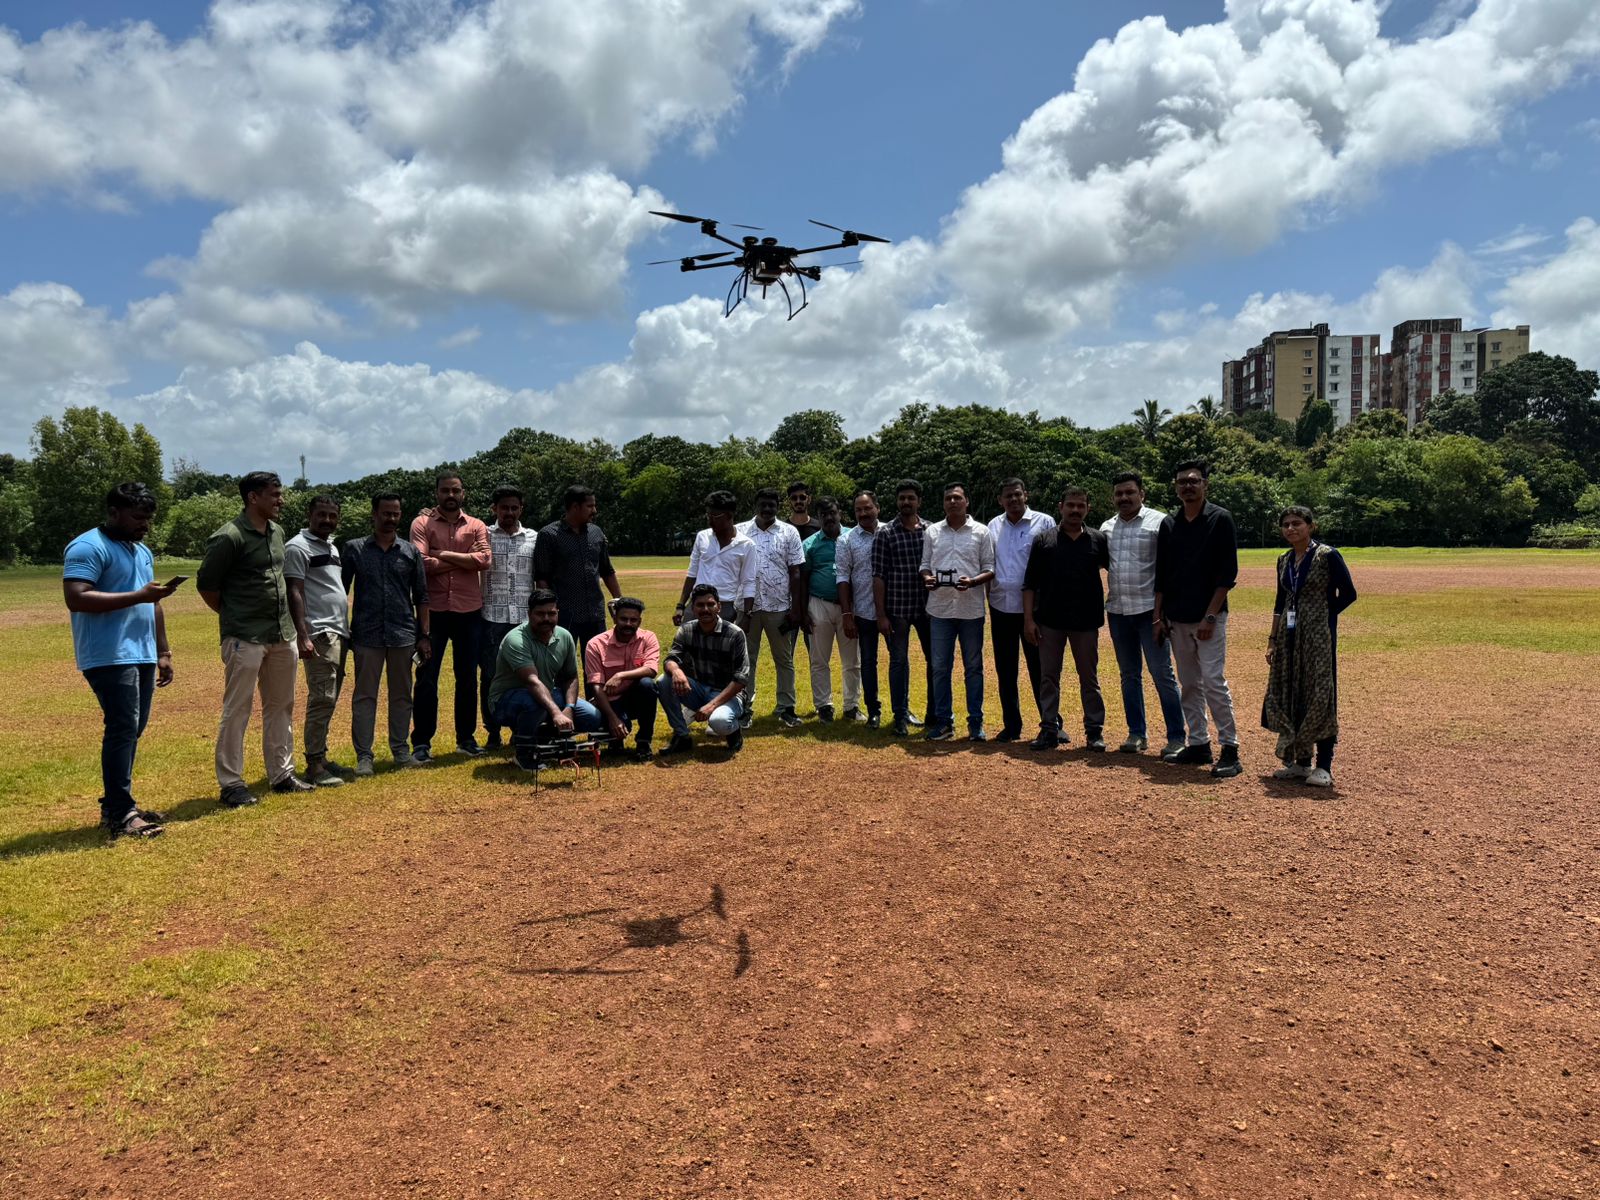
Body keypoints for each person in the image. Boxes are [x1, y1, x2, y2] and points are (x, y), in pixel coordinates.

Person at [62, 482, 179, 839]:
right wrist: (138, 596)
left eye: (148, 518)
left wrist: (162, 651)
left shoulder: (140, 550)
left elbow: (152, 602)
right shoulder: (87, 546)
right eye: (137, 517)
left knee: (132, 729)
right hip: (109, 654)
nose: (145, 525)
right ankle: (119, 813)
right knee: (122, 728)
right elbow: (76, 598)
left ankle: (118, 804)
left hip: (141, 652)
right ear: (113, 512)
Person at [197, 470, 310, 807]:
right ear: (253, 497)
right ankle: (231, 784)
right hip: (244, 636)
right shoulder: (229, 537)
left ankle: (282, 774)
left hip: (281, 633)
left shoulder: (277, 533)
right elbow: (207, 586)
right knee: (237, 709)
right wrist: (235, 617)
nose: (281, 500)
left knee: (281, 706)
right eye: (274, 494)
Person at [1155, 460, 1242, 779]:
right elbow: (1162, 575)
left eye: (1193, 481)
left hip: (1209, 618)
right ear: (1176, 487)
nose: (1187, 486)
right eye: (1181, 482)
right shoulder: (1169, 524)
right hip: (1176, 617)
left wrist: (1210, 615)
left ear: (1205, 484)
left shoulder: (1220, 519)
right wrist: (1158, 617)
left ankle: (1230, 748)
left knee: (1213, 681)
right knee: (1189, 683)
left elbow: (1227, 574)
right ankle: (1199, 743)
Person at [1263, 506, 1357, 788]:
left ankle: (1324, 765)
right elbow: (1281, 602)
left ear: (1311, 526)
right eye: (1286, 525)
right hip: (1290, 638)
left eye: (1297, 523)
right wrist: (1272, 639)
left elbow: (1349, 593)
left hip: (1318, 637)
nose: (1291, 529)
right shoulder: (1284, 560)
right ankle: (1301, 763)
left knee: (1320, 692)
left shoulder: (1328, 556)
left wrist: (1324, 615)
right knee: (1293, 691)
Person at [343, 493, 431, 775]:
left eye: (396, 513)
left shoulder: (410, 551)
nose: (391, 518)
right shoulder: (355, 550)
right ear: (374, 514)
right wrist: (343, 628)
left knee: (402, 696)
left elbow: (422, 596)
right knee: (365, 696)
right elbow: (339, 592)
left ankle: (401, 751)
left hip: (402, 634)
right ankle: (364, 757)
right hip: (366, 635)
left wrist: (424, 635)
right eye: (386, 513)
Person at [1101, 471, 1186, 757]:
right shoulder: (1107, 527)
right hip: (1118, 610)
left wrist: (1163, 614)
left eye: (1130, 492)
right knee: (1129, 675)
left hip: (1151, 612)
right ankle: (1137, 733)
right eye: (1119, 494)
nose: (1124, 498)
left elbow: (1172, 570)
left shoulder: (1160, 522)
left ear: (1142, 494)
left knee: (1163, 674)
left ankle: (1176, 736)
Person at [410, 470, 491, 761]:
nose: (450, 496)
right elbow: (420, 563)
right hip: (432, 612)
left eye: (455, 490)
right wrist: (463, 561)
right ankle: (421, 743)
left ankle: (466, 738)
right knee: (426, 676)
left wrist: (440, 554)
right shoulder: (422, 523)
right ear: (437, 493)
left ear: (463, 493)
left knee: (467, 677)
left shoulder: (477, 525)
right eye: (445, 491)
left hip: (469, 611)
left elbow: (484, 560)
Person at [1022, 486, 1110, 751]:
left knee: (1089, 678)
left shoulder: (1097, 540)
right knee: (1048, 677)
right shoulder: (1044, 540)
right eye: (1070, 505)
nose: (1075, 510)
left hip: (1085, 622)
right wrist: (1028, 620)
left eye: (1080, 506)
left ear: (1087, 509)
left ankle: (1094, 732)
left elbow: (1115, 573)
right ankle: (1049, 728)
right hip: (1050, 621)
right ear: (1060, 507)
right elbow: (1029, 584)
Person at [486, 589, 604, 770]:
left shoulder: (564, 636)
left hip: (544, 694)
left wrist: (569, 708)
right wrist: (556, 713)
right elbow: (532, 681)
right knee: (536, 702)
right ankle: (524, 754)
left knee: (592, 716)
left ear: (558, 613)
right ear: (529, 614)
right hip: (505, 701)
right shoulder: (516, 639)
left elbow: (570, 676)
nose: (546, 618)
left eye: (551, 613)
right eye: (540, 614)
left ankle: (543, 739)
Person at [284, 494, 353, 788]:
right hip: (319, 633)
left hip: (338, 632)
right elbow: (294, 591)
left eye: (332, 515)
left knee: (330, 697)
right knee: (321, 697)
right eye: (321, 514)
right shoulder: (297, 547)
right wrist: (303, 635)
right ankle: (313, 764)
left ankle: (321, 757)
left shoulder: (331, 547)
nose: (327, 520)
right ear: (309, 514)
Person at [918, 483, 996, 741]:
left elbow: (990, 568)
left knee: (973, 668)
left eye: (957, 498)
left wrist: (973, 582)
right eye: (948, 498)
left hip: (970, 610)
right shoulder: (932, 532)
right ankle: (944, 722)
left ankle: (976, 724)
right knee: (940, 667)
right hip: (940, 609)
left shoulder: (981, 532)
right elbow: (925, 565)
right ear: (943, 503)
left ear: (967, 502)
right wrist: (928, 578)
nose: (953, 501)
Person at [986, 478, 1056, 742]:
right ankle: (1011, 725)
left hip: (1035, 611)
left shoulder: (1045, 522)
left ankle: (1051, 723)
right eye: (1008, 497)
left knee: (1041, 668)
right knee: (1006, 670)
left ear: (1026, 495)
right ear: (1000, 500)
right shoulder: (993, 526)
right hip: (1001, 607)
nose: (1013, 500)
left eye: (1017, 495)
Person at [736, 488, 806, 728]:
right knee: (747, 660)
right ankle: (743, 708)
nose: (768, 509)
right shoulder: (740, 531)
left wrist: (795, 609)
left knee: (784, 659)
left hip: (779, 607)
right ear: (755, 505)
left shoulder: (789, 532)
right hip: (748, 607)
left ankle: (786, 707)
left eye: (772, 505)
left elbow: (796, 571)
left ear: (778, 507)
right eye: (763, 505)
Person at [659, 584, 750, 755]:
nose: (705, 609)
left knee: (720, 722)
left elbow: (741, 679)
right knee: (664, 681)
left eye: (710, 604)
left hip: (729, 694)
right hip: (699, 689)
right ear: (692, 608)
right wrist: (677, 671)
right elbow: (671, 658)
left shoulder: (735, 634)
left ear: (719, 607)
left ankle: (734, 730)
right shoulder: (687, 630)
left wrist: (711, 706)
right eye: (700, 605)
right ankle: (682, 735)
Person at [872, 479, 932, 737]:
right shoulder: (885, 533)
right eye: (902, 498)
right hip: (897, 608)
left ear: (919, 500)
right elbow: (878, 576)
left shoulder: (930, 530)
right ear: (896, 502)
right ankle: (900, 715)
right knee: (898, 662)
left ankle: (935, 712)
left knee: (936, 661)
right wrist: (881, 615)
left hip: (929, 608)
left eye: (910, 498)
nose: (906, 502)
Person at [480, 486, 537, 750]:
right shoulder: (483, 535)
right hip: (492, 617)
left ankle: (520, 729)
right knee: (491, 676)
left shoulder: (534, 538)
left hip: (525, 620)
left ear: (521, 509)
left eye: (514, 508)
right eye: (504, 508)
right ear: (495, 509)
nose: (509, 513)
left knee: (526, 676)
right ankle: (492, 732)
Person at [534, 484, 621, 655]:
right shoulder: (549, 535)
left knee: (597, 664)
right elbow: (542, 576)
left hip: (595, 613)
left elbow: (607, 570)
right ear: (575, 507)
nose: (594, 510)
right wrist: (548, 610)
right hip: (564, 613)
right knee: (560, 663)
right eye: (590, 506)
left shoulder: (596, 533)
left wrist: (620, 600)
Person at [798, 497, 860, 722]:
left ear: (840, 513)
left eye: (832, 513)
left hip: (850, 607)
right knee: (819, 659)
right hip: (819, 604)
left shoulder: (854, 537)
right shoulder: (810, 544)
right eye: (824, 515)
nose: (829, 518)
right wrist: (804, 611)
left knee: (852, 660)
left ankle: (852, 706)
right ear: (819, 518)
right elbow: (803, 580)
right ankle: (824, 705)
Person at [585, 597, 662, 762]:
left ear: (639, 621)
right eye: (623, 619)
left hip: (635, 697)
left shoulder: (648, 638)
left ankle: (643, 742)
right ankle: (613, 738)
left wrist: (620, 675)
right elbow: (596, 687)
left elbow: (651, 669)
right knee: (615, 731)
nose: (628, 623)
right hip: (609, 700)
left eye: (633, 620)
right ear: (614, 618)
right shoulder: (595, 644)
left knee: (647, 685)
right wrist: (613, 719)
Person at [835, 490, 884, 726]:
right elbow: (843, 577)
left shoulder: (890, 532)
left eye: (867, 508)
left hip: (892, 610)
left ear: (877, 508)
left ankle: (902, 709)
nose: (863, 513)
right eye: (858, 510)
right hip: (864, 610)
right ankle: (873, 710)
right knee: (867, 661)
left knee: (899, 661)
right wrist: (847, 614)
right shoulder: (846, 540)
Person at [677, 491, 757, 627]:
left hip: (725, 606)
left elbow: (749, 582)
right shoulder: (702, 537)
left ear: (730, 515)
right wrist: (680, 606)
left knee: (719, 647)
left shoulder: (746, 545)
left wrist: (747, 615)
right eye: (708, 515)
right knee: (689, 645)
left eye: (715, 516)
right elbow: (692, 573)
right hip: (697, 604)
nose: (710, 520)